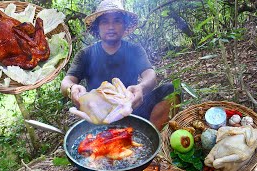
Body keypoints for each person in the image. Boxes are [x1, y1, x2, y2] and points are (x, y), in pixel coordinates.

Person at [61, 0, 180, 130]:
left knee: (171, 89)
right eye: (105, 22)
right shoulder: (85, 54)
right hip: (99, 115)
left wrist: (141, 88)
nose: (111, 26)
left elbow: (150, 75)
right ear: (98, 27)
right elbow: (67, 81)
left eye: (117, 21)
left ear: (124, 25)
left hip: (132, 108)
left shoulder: (135, 50)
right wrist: (71, 89)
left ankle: (154, 136)